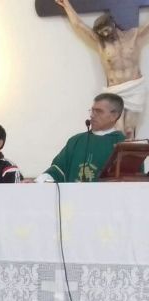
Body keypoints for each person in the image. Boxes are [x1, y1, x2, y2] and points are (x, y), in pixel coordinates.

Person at [55, 0, 149, 139]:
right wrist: (66, 5)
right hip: (116, 91)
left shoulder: (133, 36)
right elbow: (79, 26)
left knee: (130, 130)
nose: (105, 34)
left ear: (113, 24)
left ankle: (130, 159)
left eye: (107, 30)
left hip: (135, 87)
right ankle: (117, 159)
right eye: (102, 32)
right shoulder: (100, 43)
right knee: (118, 131)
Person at [36, 93, 126, 182]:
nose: (92, 115)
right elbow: (58, 170)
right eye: (92, 110)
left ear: (114, 116)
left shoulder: (123, 145)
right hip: (72, 196)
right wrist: (39, 180)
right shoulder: (76, 141)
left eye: (98, 111)